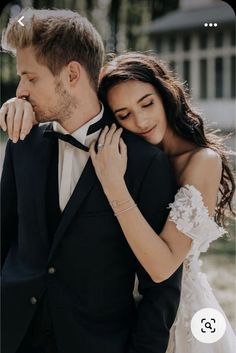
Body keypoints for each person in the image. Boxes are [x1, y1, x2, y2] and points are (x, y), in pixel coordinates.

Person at [2, 52, 236, 353]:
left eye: (147, 103)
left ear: (165, 94)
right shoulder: (129, 149)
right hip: (117, 312)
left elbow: (163, 268)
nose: (140, 120)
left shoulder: (202, 161)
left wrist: (114, 185)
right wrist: (19, 104)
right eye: (124, 114)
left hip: (176, 314)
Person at [0, 9, 182, 353]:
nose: (20, 90)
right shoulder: (20, 143)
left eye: (30, 77)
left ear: (71, 74)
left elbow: (161, 290)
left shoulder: (145, 162)